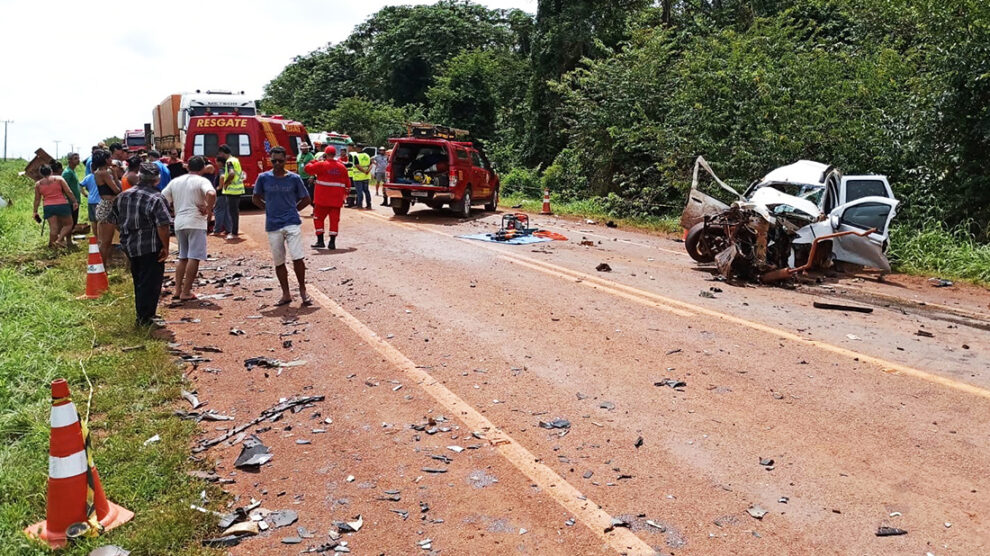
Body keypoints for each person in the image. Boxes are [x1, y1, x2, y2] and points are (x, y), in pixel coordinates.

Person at [110, 163, 172, 329]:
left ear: (139, 177)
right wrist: (165, 247)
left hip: (129, 246)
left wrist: (126, 234)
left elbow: (113, 220)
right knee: (150, 282)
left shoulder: (123, 195)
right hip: (150, 246)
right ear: (157, 179)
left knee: (138, 279)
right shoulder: (156, 197)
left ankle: (143, 314)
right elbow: (163, 225)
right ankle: (145, 318)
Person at [251, 146, 312, 306]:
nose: (277, 163)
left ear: (286, 160)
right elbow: (255, 198)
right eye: (274, 161)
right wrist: (268, 208)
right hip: (273, 225)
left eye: (280, 160)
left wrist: (294, 210)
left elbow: (306, 198)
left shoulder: (294, 178)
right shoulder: (263, 178)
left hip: (292, 223)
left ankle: (303, 289)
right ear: (270, 161)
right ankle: (286, 293)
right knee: (279, 261)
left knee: (297, 257)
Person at [162, 156, 215, 302]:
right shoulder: (202, 181)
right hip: (196, 222)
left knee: (183, 257)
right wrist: (208, 210)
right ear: (203, 168)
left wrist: (172, 211)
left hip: (179, 222)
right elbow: (211, 193)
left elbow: (162, 198)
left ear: (188, 167)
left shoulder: (176, 181)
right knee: (194, 257)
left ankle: (178, 290)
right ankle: (186, 292)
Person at [305, 146, 349, 250]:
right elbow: (347, 183)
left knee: (318, 219)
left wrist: (314, 160)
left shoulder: (321, 165)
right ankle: (332, 242)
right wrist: (344, 196)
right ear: (335, 154)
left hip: (322, 200)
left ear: (325, 153)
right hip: (336, 200)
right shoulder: (342, 167)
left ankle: (320, 241)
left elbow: (307, 169)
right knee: (334, 221)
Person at [33, 164, 78, 248]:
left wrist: (35, 211)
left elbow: (37, 199)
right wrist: (74, 201)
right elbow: (68, 192)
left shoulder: (38, 184)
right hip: (62, 204)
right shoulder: (59, 179)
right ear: (51, 171)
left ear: (41, 173)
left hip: (48, 206)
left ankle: (53, 247)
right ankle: (59, 240)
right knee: (68, 224)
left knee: (53, 228)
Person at [93, 149, 123, 266]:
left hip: (107, 205)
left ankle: (105, 265)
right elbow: (117, 190)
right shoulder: (104, 173)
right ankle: (102, 268)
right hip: (109, 207)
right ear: (105, 160)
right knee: (106, 242)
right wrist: (115, 176)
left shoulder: (99, 172)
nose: (112, 160)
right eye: (110, 158)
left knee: (106, 241)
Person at [216, 145, 243, 240]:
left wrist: (226, 184)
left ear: (223, 152)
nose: (219, 155)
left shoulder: (229, 162)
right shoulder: (235, 160)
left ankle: (233, 232)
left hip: (232, 190)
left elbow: (231, 173)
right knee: (234, 212)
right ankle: (234, 231)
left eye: (220, 153)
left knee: (232, 212)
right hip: (238, 189)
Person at [63, 153, 83, 228]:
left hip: (75, 201)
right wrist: (72, 200)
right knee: (70, 223)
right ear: (69, 160)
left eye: (78, 158)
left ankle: (69, 239)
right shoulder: (67, 173)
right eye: (75, 158)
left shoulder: (72, 171)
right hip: (70, 201)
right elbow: (64, 187)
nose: (78, 160)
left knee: (74, 222)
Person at [350, 144, 372, 209]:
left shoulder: (356, 156)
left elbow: (357, 166)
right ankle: (369, 205)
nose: (355, 148)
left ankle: (359, 205)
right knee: (366, 191)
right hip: (366, 176)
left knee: (359, 191)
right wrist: (367, 171)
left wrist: (364, 171)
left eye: (356, 147)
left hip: (358, 177)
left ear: (359, 148)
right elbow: (371, 164)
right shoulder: (367, 155)